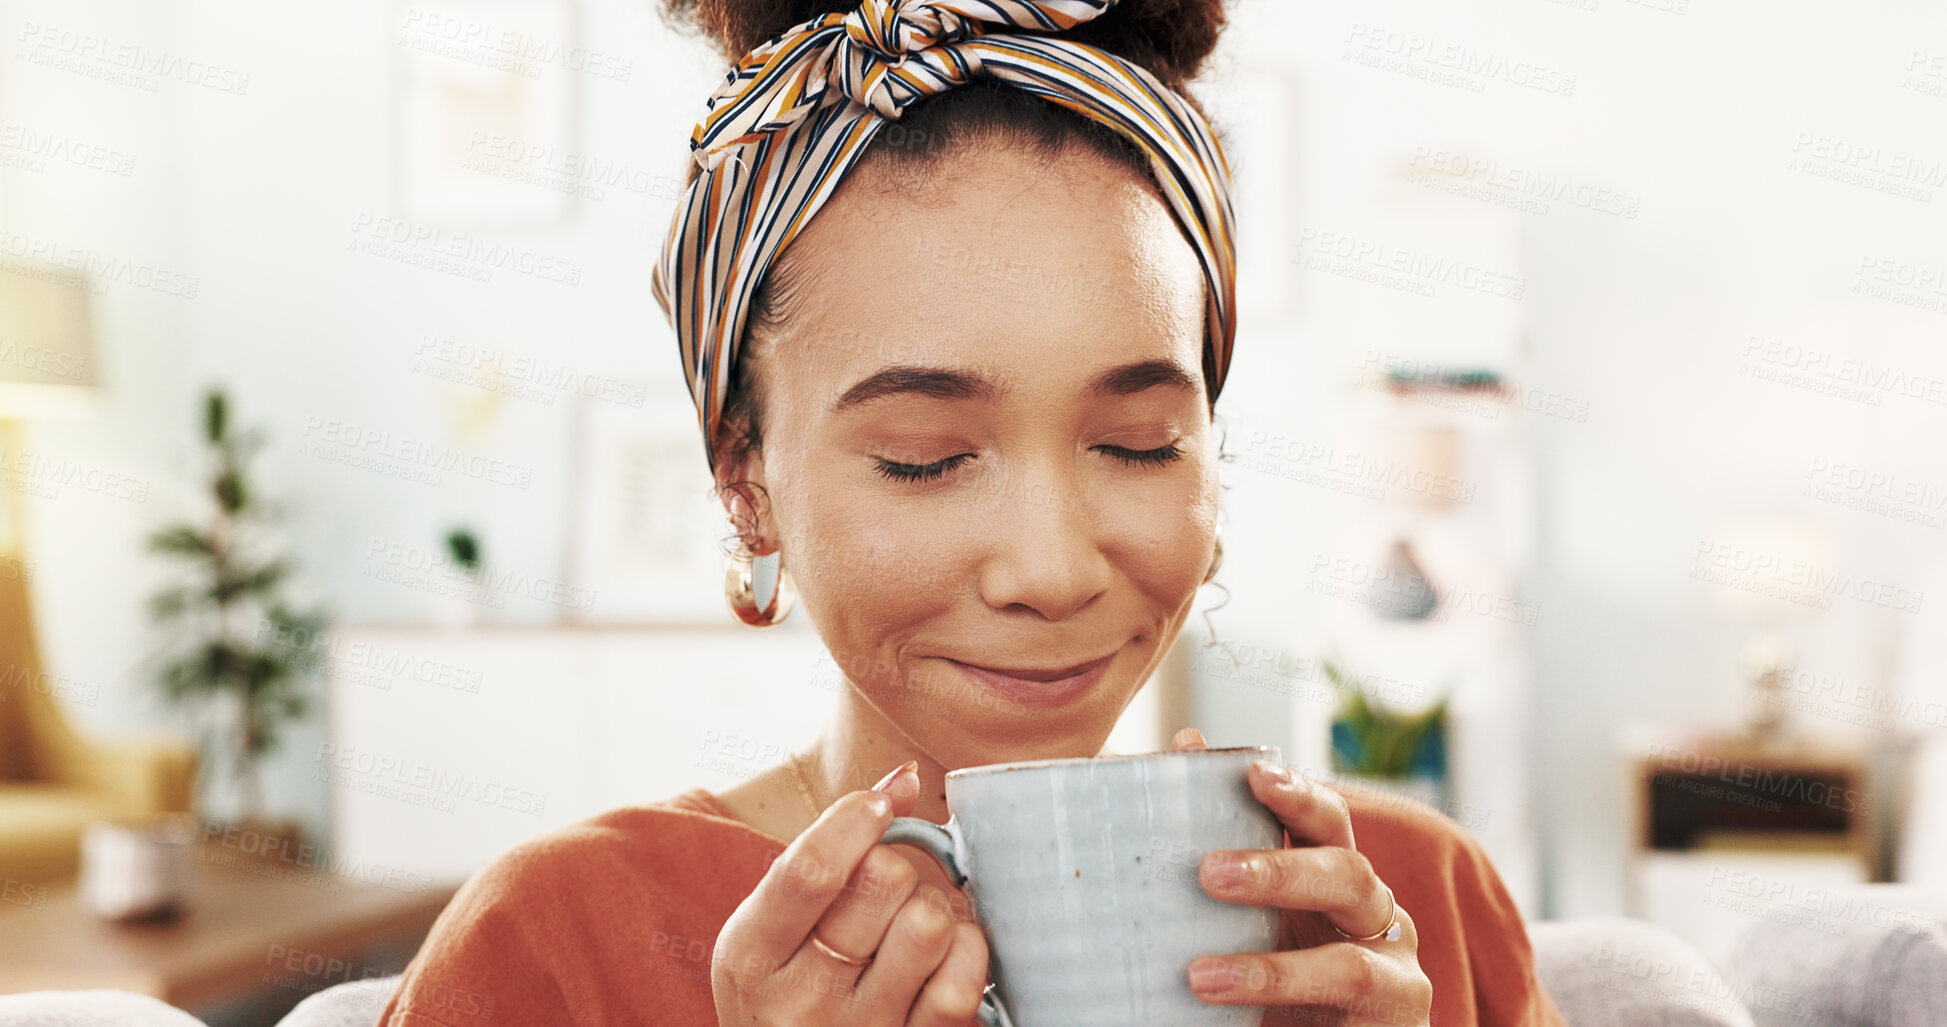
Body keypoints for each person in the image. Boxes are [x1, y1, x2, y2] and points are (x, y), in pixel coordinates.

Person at [376, 1, 1566, 1024]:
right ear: (747, 479)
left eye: (1136, 444)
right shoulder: (557, 947)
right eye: (925, 459)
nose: (1051, 568)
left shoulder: (1408, 912)